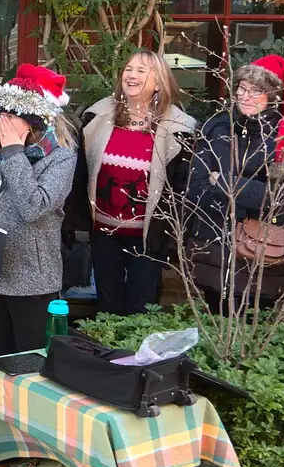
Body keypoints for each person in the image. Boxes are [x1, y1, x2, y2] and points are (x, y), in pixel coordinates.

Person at [0, 66, 79, 357]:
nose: (2, 122)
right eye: (1, 115)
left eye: (12, 116)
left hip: (30, 281)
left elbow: (35, 207)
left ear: (35, 122)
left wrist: (13, 154)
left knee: (31, 365)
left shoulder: (61, 158)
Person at [71, 51, 197, 315]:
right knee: (107, 305)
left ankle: (137, 356)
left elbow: (181, 189)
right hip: (103, 232)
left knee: (143, 307)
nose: (132, 75)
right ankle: (107, 356)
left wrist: (174, 240)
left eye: (142, 70)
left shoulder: (179, 128)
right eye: (129, 69)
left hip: (149, 238)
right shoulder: (98, 116)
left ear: (159, 83)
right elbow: (80, 172)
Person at [185, 54, 284, 315]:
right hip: (213, 241)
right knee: (214, 320)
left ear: (273, 96)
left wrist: (221, 180)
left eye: (256, 91)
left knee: (254, 323)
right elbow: (195, 186)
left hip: (262, 246)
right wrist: (246, 190)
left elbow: (275, 198)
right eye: (242, 88)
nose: (246, 96)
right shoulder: (217, 126)